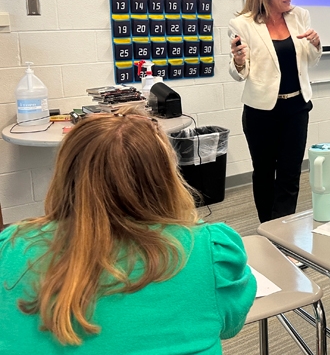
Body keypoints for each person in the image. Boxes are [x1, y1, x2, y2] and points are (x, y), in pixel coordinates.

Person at [0, 109, 256, 353]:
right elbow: (230, 324)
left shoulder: (10, 246)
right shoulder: (209, 249)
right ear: (165, 176)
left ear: (66, 172)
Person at [229, 0, 322, 222]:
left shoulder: (300, 16)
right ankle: (268, 227)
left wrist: (316, 44)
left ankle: (284, 229)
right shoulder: (243, 24)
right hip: (262, 111)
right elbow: (240, 72)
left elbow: (310, 60)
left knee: (290, 174)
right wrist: (238, 60)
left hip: (297, 107)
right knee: (264, 172)